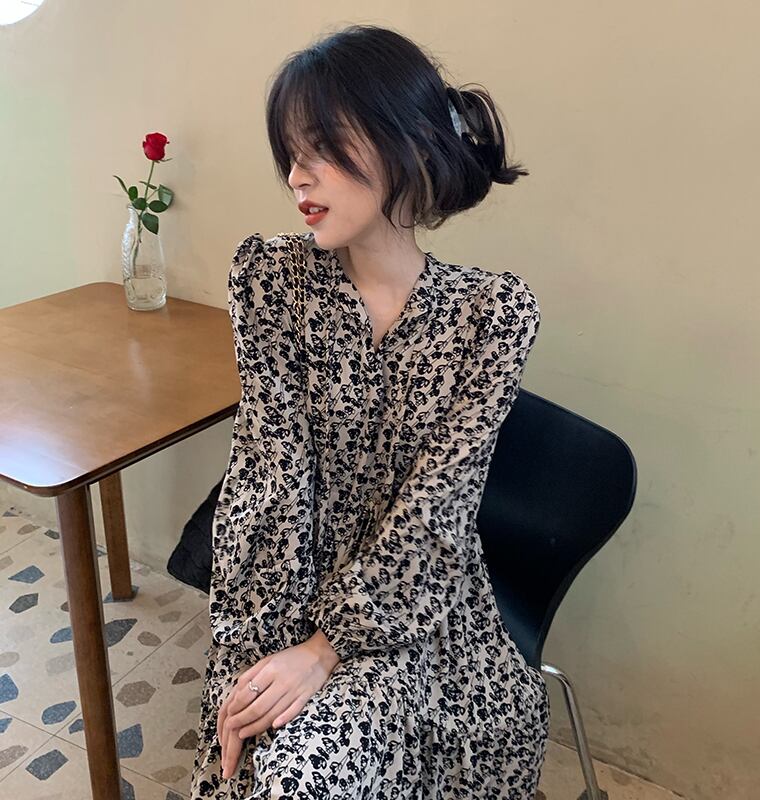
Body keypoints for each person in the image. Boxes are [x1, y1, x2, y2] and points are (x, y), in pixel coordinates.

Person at [190, 22, 549, 799]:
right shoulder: (272, 282)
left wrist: (324, 652)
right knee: (266, 758)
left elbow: (436, 513)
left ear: (408, 142)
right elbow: (267, 480)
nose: (297, 177)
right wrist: (259, 653)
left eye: (321, 148)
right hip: (288, 587)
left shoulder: (492, 314)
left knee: (306, 772)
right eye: (289, 155)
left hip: (420, 610)